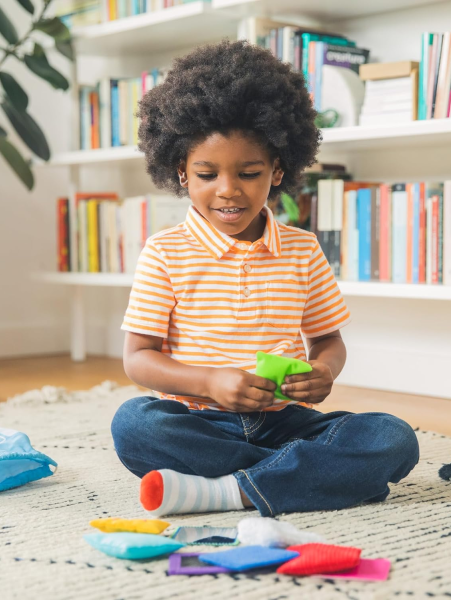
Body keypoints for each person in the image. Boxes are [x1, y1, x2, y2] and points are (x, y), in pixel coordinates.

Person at [111, 40, 419, 518]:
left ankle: (229, 491)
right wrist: (210, 381)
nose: (228, 190)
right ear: (181, 172)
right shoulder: (165, 251)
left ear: (277, 170)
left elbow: (328, 341)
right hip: (197, 420)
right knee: (135, 424)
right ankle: (311, 480)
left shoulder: (301, 249)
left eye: (249, 172)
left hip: (284, 422)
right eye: (207, 173)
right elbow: (139, 360)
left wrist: (324, 372)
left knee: (392, 438)